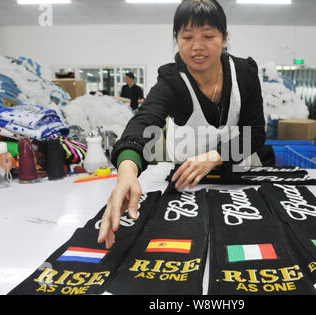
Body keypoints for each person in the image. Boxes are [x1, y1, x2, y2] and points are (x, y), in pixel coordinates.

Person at [98, 0, 270, 249]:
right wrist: (126, 172)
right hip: (187, 182)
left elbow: (255, 133)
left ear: (224, 38)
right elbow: (144, 121)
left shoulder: (244, 74)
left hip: (236, 178)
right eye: (187, 37)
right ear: (176, 39)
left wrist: (215, 155)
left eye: (209, 36)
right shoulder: (172, 81)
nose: (197, 47)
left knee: (242, 242)